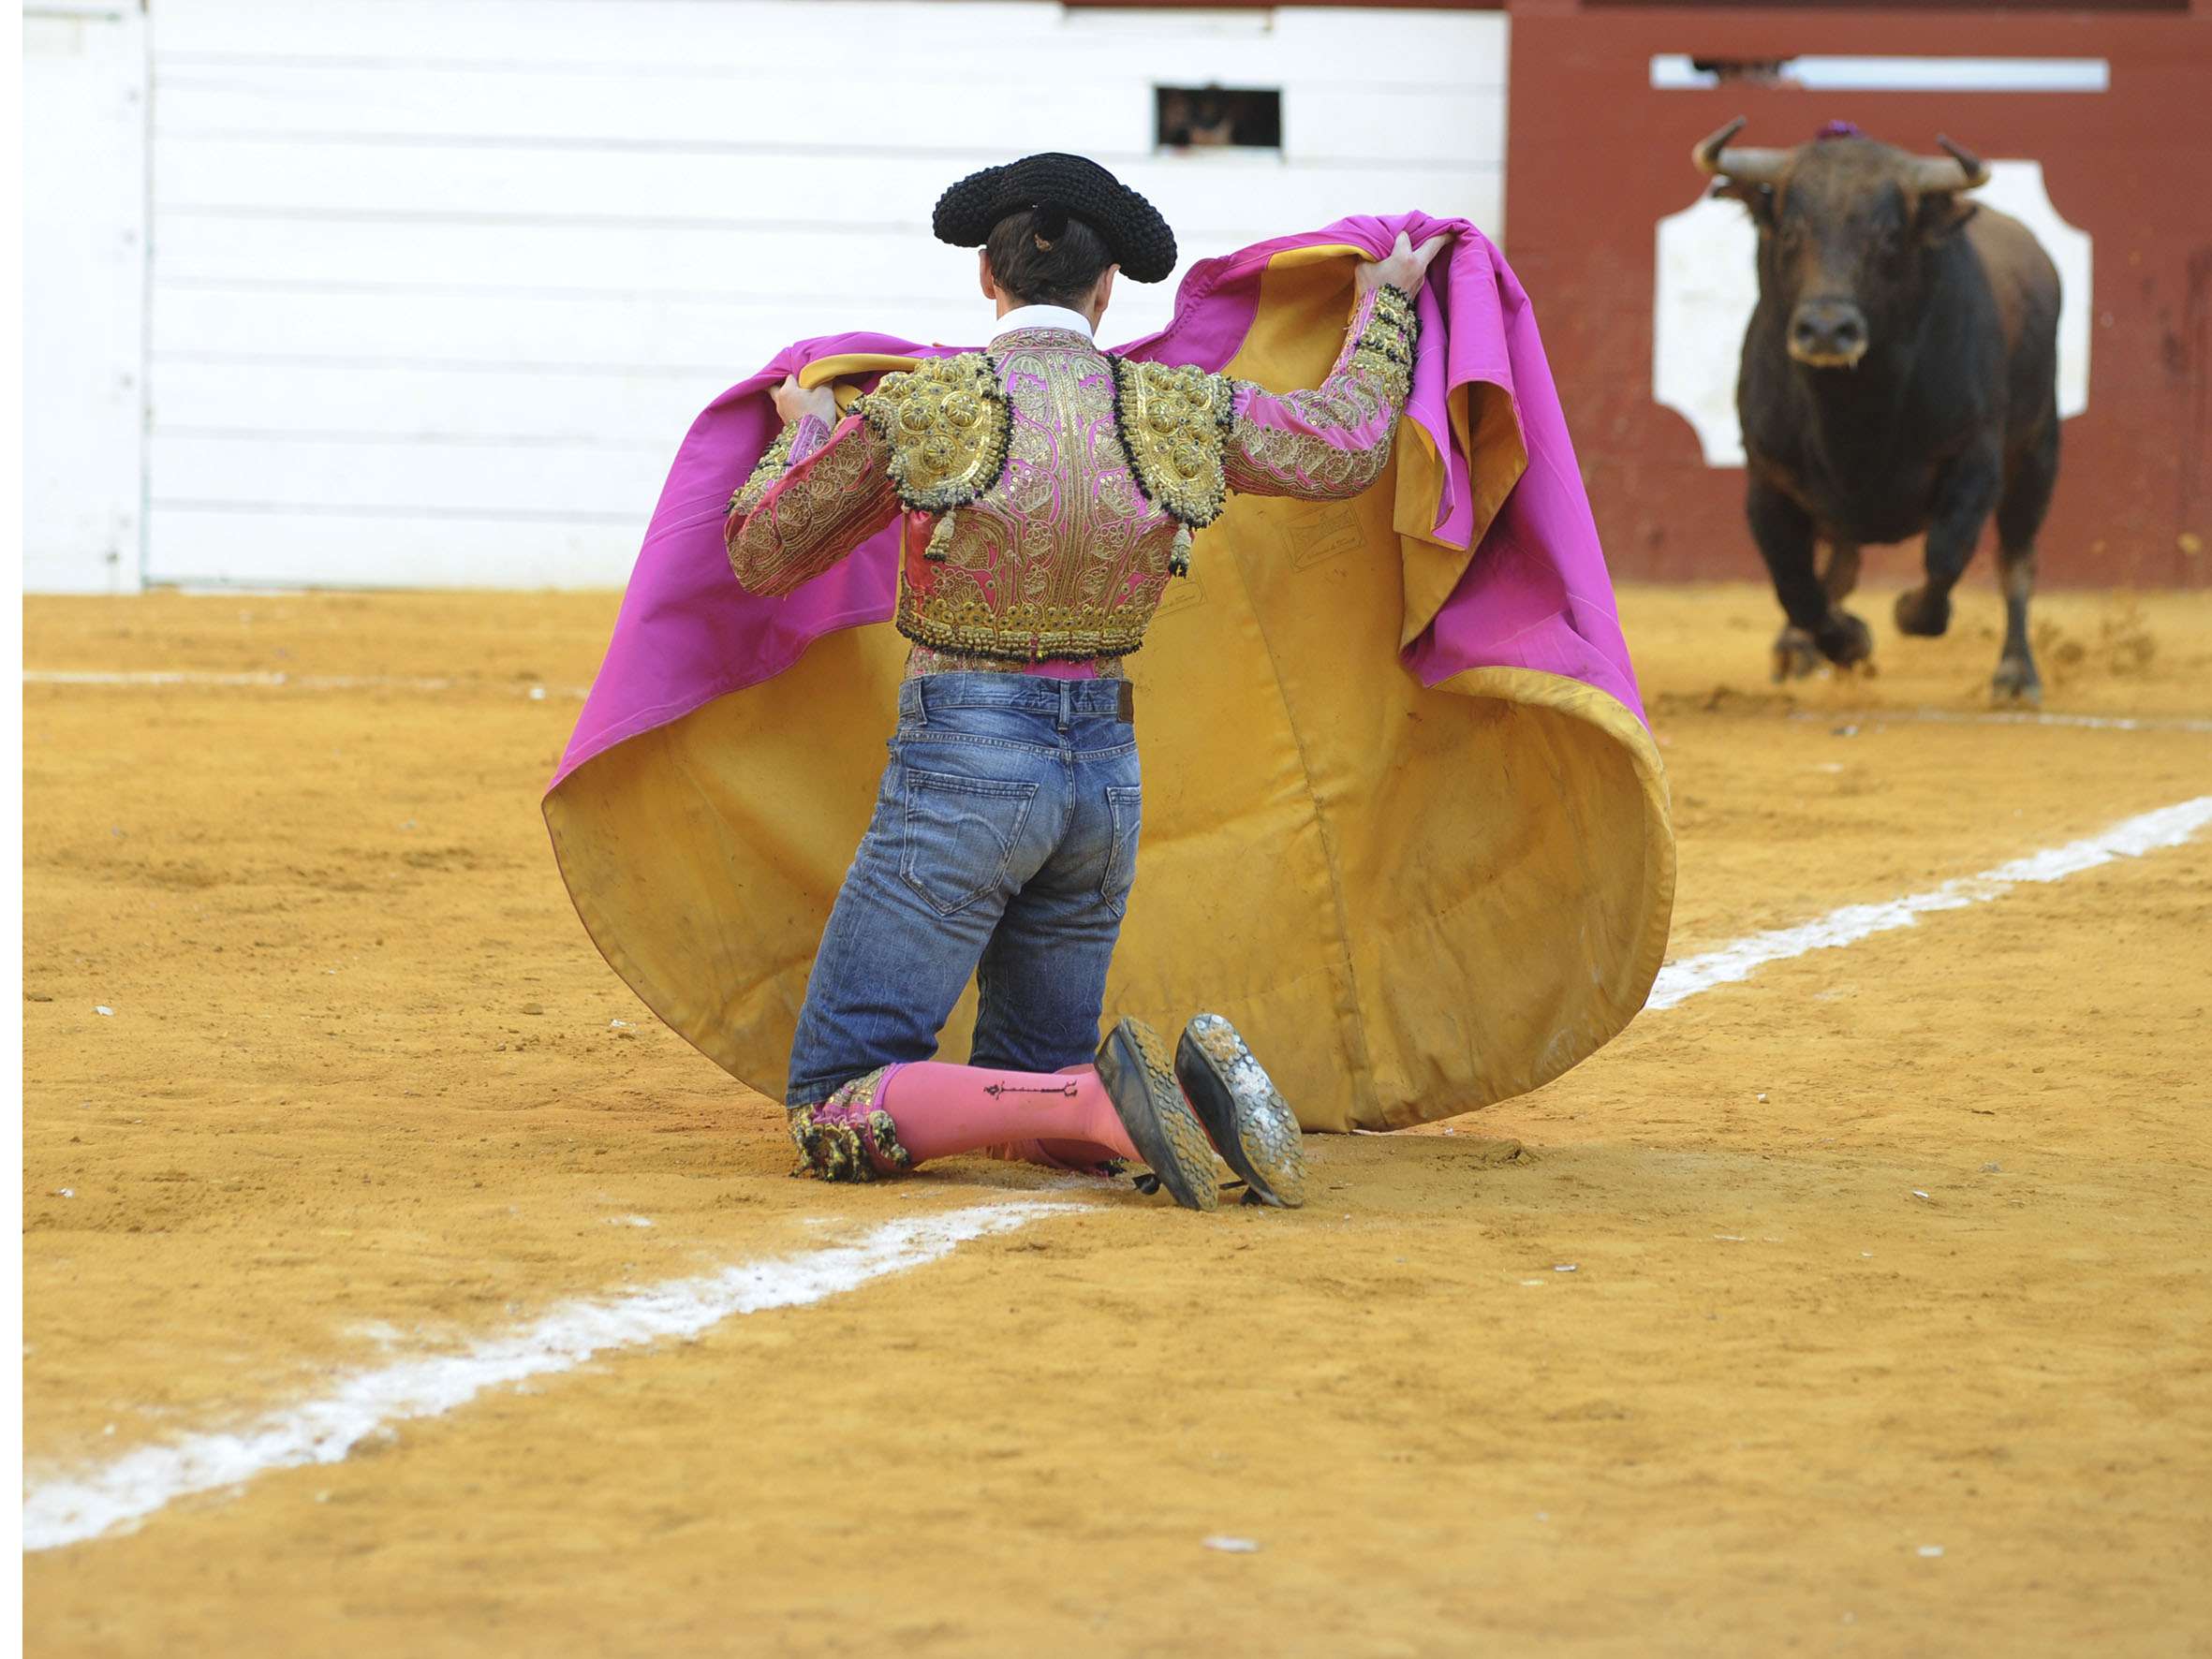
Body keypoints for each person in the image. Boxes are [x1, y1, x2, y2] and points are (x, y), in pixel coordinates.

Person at [722, 154, 1445, 1212]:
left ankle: (1102, 1108)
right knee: (1031, 1073)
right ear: (1108, 289)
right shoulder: (1175, 407)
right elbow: (1344, 444)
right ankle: (1147, 1106)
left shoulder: (926, 408)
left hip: (960, 769)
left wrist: (811, 436)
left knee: (836, 1099)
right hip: (1101, 783)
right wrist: (1386, 306)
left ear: (987, 275)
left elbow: (761, 551)